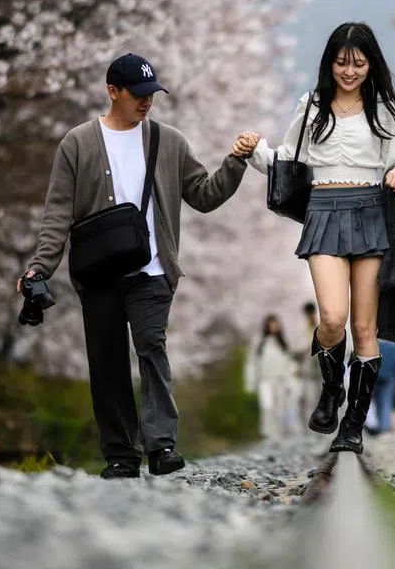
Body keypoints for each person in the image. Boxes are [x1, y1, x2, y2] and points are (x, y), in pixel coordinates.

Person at [20, 53, 256, 479]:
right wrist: (40, 268)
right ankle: (120, 454)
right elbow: (57, 214)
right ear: (113, 92)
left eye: (153, 94)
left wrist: (235, 162)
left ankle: (161, 445)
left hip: (151, 271)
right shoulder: (77, 143)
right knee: (107, 362)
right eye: (139, 94)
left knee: (152, 349)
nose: (148, 102)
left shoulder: (170, 142)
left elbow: (203, 195)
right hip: (98, 273)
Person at [238, 21, 395, 455]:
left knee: (365, 327)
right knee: (332, 318)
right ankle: (332, 391)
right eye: (341, 62)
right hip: (324, 211)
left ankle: (352, 426)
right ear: (329, 62)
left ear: (372, 65)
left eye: (358, 63)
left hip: (371, 211)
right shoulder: (312, 106)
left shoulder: (384, 109)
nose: (349, 71)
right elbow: (288, 160)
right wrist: (254, 150)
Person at [249, 314, 298, 440]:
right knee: (266, 406)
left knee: (279, 406)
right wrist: (251, 381)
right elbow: (253, 363)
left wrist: (289, 378)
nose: (273, 327)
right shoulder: (260, 343)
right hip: (265, 380)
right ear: (266, 326)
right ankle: (268, 433)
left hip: (280, 380)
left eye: (275, 324)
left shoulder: (282, 344)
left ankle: (278, 432)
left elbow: (289, 363)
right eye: (270, 325)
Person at [365, 338, 395, 436]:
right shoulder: (394, 346)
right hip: (389, 377)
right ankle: (384, 428)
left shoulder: (373, 344)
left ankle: (378, 426)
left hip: (375, 375)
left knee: (376, 402)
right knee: (386, 401)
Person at [298, 301, 324, 420]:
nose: (310, 316)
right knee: (308, 397)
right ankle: (309, 425)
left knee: (320, 396)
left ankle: (319, 424)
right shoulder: (301, 329)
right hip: (307, 366)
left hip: (320, 366)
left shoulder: (321, 327)